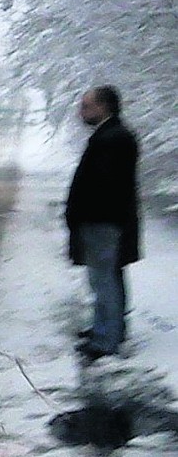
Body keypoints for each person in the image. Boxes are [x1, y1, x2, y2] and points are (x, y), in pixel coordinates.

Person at [65, 85, 141, 360]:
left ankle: (106, 338)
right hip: (108, 222)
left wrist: (82, 214)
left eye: (87, 106)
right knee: (109, 277)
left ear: (104, 107)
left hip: (102, 223)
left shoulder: (112, 139)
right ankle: (109, 329)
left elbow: (102, 186)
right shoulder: (112, 135)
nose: (81, 111)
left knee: (103, 280)